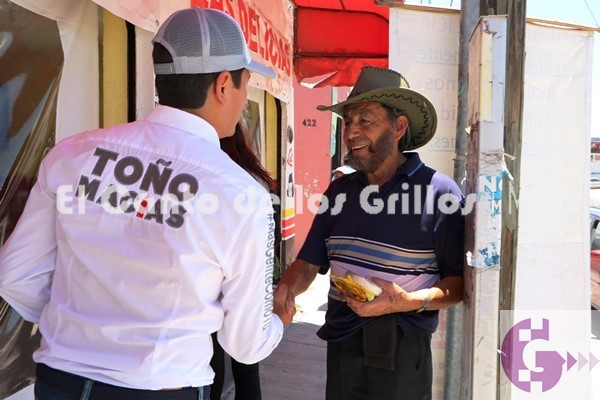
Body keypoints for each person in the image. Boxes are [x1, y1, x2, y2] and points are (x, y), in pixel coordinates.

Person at [0, 6, 292, 400]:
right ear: (224, 84)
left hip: (59, 381)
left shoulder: (72, 154)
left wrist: (83, 329)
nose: (243, 99)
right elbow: (246, 345)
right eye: (245, 84)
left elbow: (15, 276)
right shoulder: (240, 194)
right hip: (159, 387)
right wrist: (278, 320)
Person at [277, 66, 465, 400]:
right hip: (341, 343)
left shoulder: (440, 193)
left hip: (401, 351)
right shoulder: (339, 191)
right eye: (348, 121)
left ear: (399, 127)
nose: (351, 131)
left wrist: (408, 301)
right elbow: (307, 264)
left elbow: (458, 285)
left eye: (366, 120)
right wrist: (284, 292)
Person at [210, 123, 275, 400]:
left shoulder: (212, 177)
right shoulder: (253, 180)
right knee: (247, 364)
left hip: (209, 285)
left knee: (212, 361)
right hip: (248, 279)